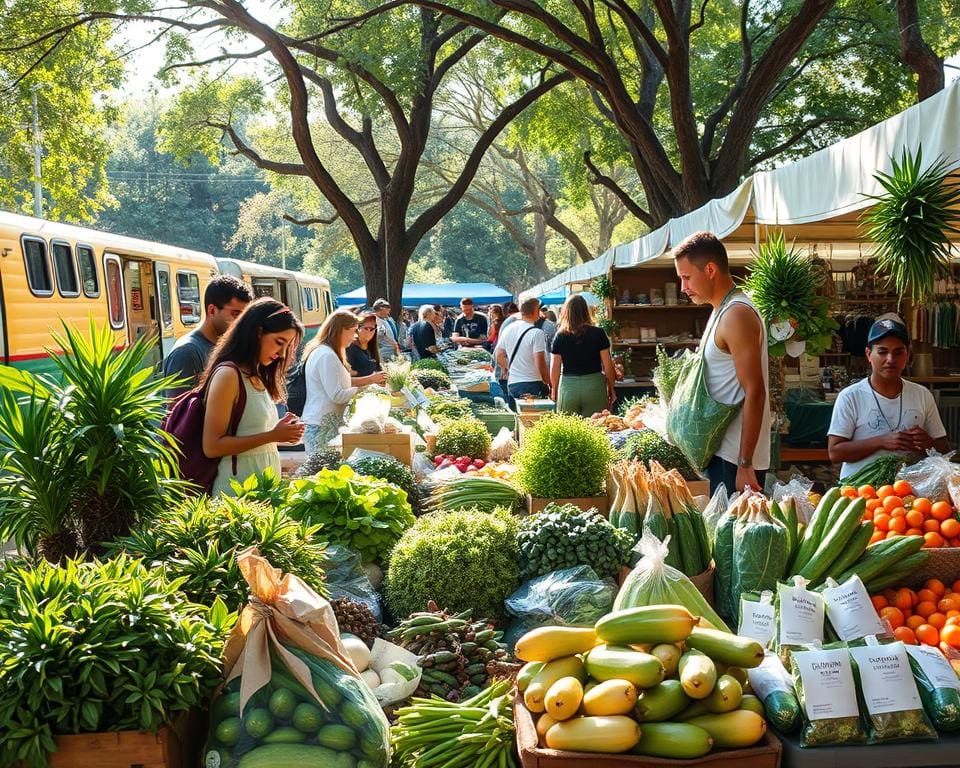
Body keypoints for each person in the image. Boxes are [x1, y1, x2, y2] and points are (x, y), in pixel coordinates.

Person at [674, 231, 771, 494]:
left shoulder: (736, 314)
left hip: (734, 459)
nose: (683, 288)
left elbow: (756, 390)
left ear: (710, 269)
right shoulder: (720, 310)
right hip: (721, 454)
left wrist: (745, 463)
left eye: (686, 277)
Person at [201, 298, 305, 497]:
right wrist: (273, 436)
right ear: (257, 332)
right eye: (279, 342)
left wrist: (281, 435)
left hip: (262, 490)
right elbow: (212, 446)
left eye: (287, 346)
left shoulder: (256, 373)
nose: (282, 354)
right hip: (235, 494)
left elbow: (249, 435)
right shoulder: (228, 375)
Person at [828, 318, 948, 480]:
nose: (890, 360)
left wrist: (927, 444)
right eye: (882, 352)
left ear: (907, 355)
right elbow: (835, 453)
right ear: (869, 354)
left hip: (910, 493)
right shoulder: (850, 397)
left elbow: (944, 451)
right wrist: (881, 442)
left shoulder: (922, 395)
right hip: (860, 492)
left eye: (898, 352)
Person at [301, 310, 385, 454]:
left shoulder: (326, 352)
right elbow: (337, 395)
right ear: (340, 330)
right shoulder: (327, 355)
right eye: (353, 331)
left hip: (324, 423)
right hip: (320, 425)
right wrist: (366, 387)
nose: (355, 336)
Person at [163, 275, 253, 398]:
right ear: (212, 310)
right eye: (236, 314)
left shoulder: (231, 346)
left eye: (245, 316)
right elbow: (177, 411)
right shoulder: (187, 353)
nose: (241, 322)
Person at [550, 294, 617, 417]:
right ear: (586, 311)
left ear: (566, 312)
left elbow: (555, 367)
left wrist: (554, 389)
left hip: (568, 386)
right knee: (597, 427)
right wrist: (611, 388)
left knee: (568, 430)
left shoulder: (560, 336)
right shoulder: (598, 333)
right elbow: (608, 365)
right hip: (594, 386)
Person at [495, 297, 549, 405]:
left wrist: (506, 368)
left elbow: (499, 355)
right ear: (535, 311)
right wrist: (548, 382)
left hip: (513, 383)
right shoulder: (537, 333)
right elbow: (540, 362)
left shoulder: (508, 329)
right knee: (533, 419)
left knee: (517, 417)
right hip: (533, 382)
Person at [346, 311, 386, 381]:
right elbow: (346, 377)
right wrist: (370, 378)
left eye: (372, 329)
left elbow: (377, 369)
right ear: (358, 329)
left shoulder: (372, 347)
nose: (369, 332)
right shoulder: (350, 347)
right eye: (366, 328)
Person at [373, 298, 401, 362]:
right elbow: (378, 337)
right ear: (381, 308)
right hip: (384, 354)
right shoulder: (374, 321)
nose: (389, 309)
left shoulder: (387, 319)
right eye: (387, 307)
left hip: (393, 352)